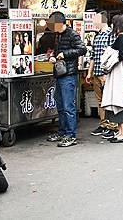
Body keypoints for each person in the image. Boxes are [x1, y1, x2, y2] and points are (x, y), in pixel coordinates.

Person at [46, 11, 87, 147]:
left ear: (60, 23)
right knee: (60, 105)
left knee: (68, 106)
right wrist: (53, 56)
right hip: (60, 74)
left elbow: (82, 49)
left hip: (69, 75)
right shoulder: (57, 36)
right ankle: (63, 132)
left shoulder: (72, 34)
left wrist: (65, 54)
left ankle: (71, 135)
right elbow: (58, 53)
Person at [101, 14, 123, 143]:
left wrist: (110, 55)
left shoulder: (120, 38)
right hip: (120, 72)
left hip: (117, 73)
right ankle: (120, 131)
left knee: (118, 102)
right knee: (118, 101)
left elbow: (122, 55)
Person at [86, 12, 117, 139]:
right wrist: (89, 72)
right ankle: (103, 124)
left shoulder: (111, 34)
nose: (94, 23)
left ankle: (113, 126)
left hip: (106, 74)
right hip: (97, 74)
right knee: (100, 102)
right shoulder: (97, 36)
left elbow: (112, 56)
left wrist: (106, 74)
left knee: (109, 101)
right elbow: (93, 56)